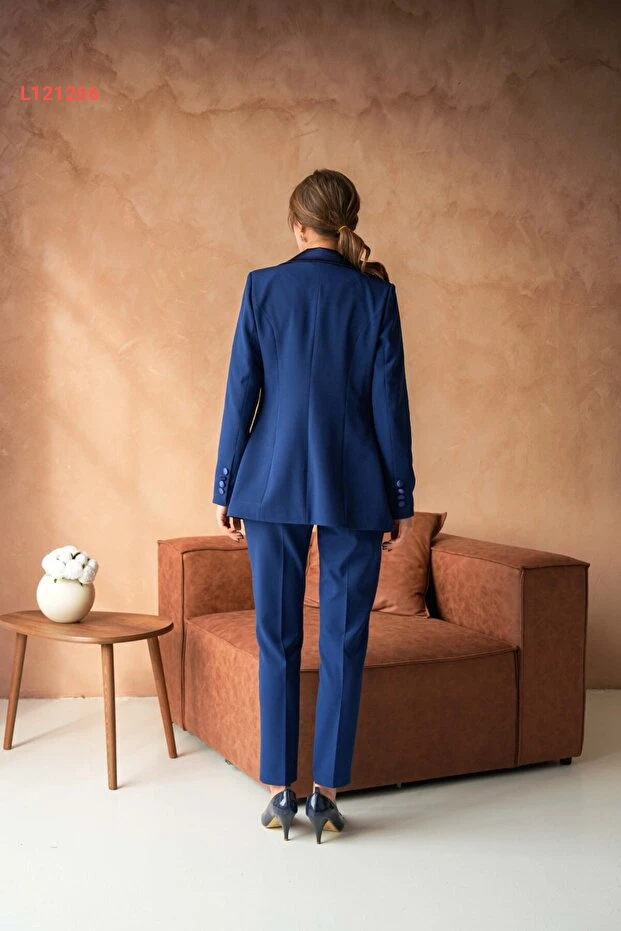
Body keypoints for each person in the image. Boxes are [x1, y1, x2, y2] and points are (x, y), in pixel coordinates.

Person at [212, 168, 416, 843]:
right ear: (346, 223)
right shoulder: (375, 296)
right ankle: (326, 794)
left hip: (267, 483)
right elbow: (389, 406)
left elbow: (242, 391)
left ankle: (279, 790)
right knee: (345, 640)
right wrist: (399, 496)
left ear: (298, 225)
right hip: (355, 485)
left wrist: (225, 484)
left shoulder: (262, 287)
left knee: (275, 635)